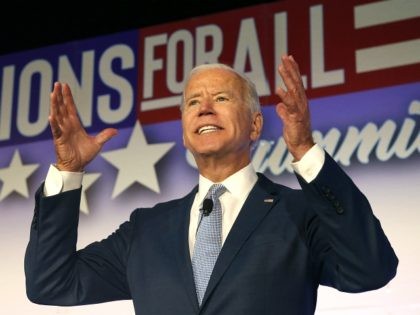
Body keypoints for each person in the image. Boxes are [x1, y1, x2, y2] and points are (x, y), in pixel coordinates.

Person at [25, 55, 398, 315]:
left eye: (221, 98)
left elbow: (370, 269)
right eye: (193, 102)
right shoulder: (146, 229)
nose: (204, 108)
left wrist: (305, 149)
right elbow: (51, 283)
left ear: (254, 126)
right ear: (185, 135)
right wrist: (68, 169)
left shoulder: (299, 213)